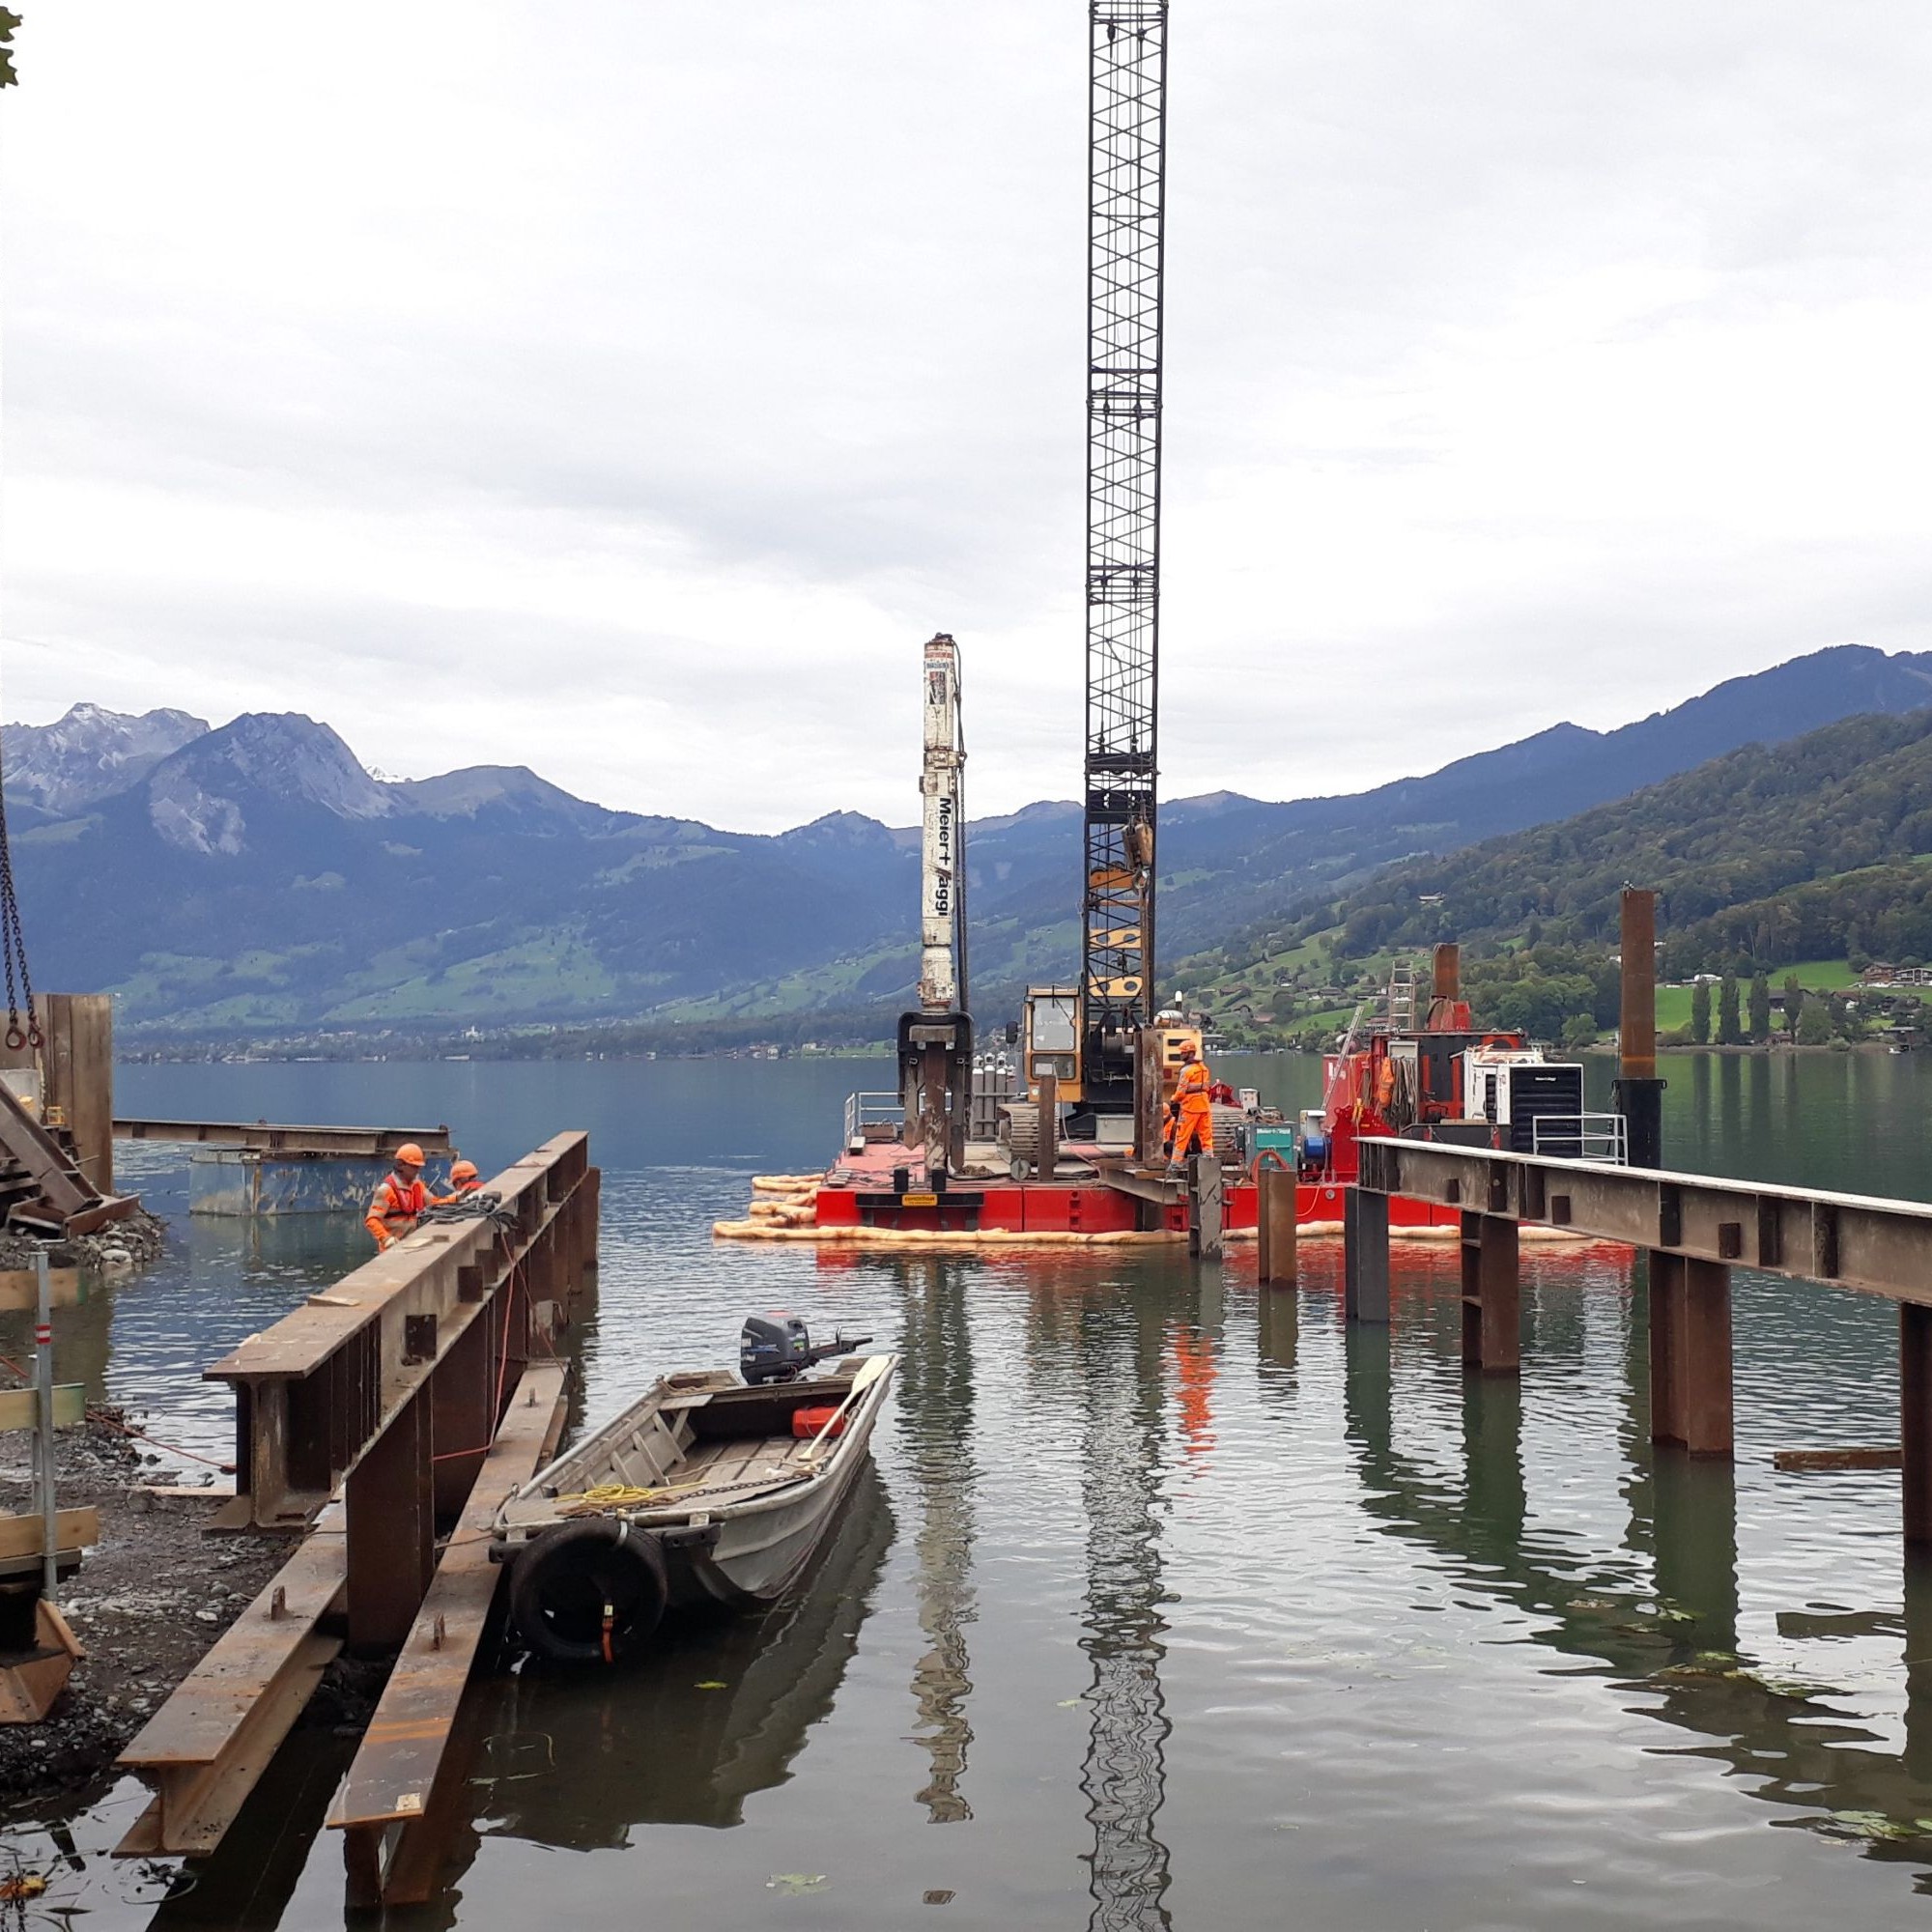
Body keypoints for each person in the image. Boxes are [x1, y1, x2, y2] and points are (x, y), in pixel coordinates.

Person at [365, 1143, 430, 1250]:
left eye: (418, 1167)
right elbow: (372, 1220)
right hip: (392, 1248)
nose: (418, 1170)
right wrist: (386, 1239)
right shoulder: (386, 1190)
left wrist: (456, 1198)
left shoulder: (417, 1186)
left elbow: (434, 1202)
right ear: (401, 1165)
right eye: (414, 1166)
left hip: (411, 1245)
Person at [1167, 1042, 1214, 1176]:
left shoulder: (1186, 1071)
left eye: (1182, 1052)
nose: (1181, 1055)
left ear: (1189, 1053)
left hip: (1190, 1107)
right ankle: (1209, 1161)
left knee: (1182, 1135)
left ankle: (1175, 1164)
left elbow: (1181, 1091)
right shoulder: (1204, 1068)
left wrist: (1173, 1099)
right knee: (1206, 1135)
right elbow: (1206, 1087)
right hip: (1204, 1104)